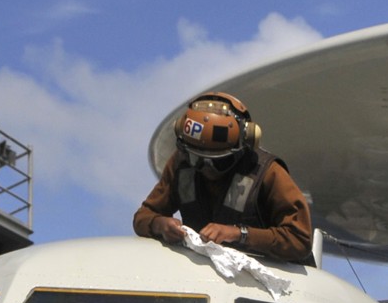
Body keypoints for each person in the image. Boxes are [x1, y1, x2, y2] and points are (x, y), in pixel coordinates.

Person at [133, 90, 314, 264]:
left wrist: (239, 234)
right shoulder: (181, 165)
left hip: (274, 288)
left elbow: (299, 240)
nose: (206, 169)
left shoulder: (267, 172)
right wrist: (159, 224)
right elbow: (143, 217)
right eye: (197, 160)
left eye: (217, 162)